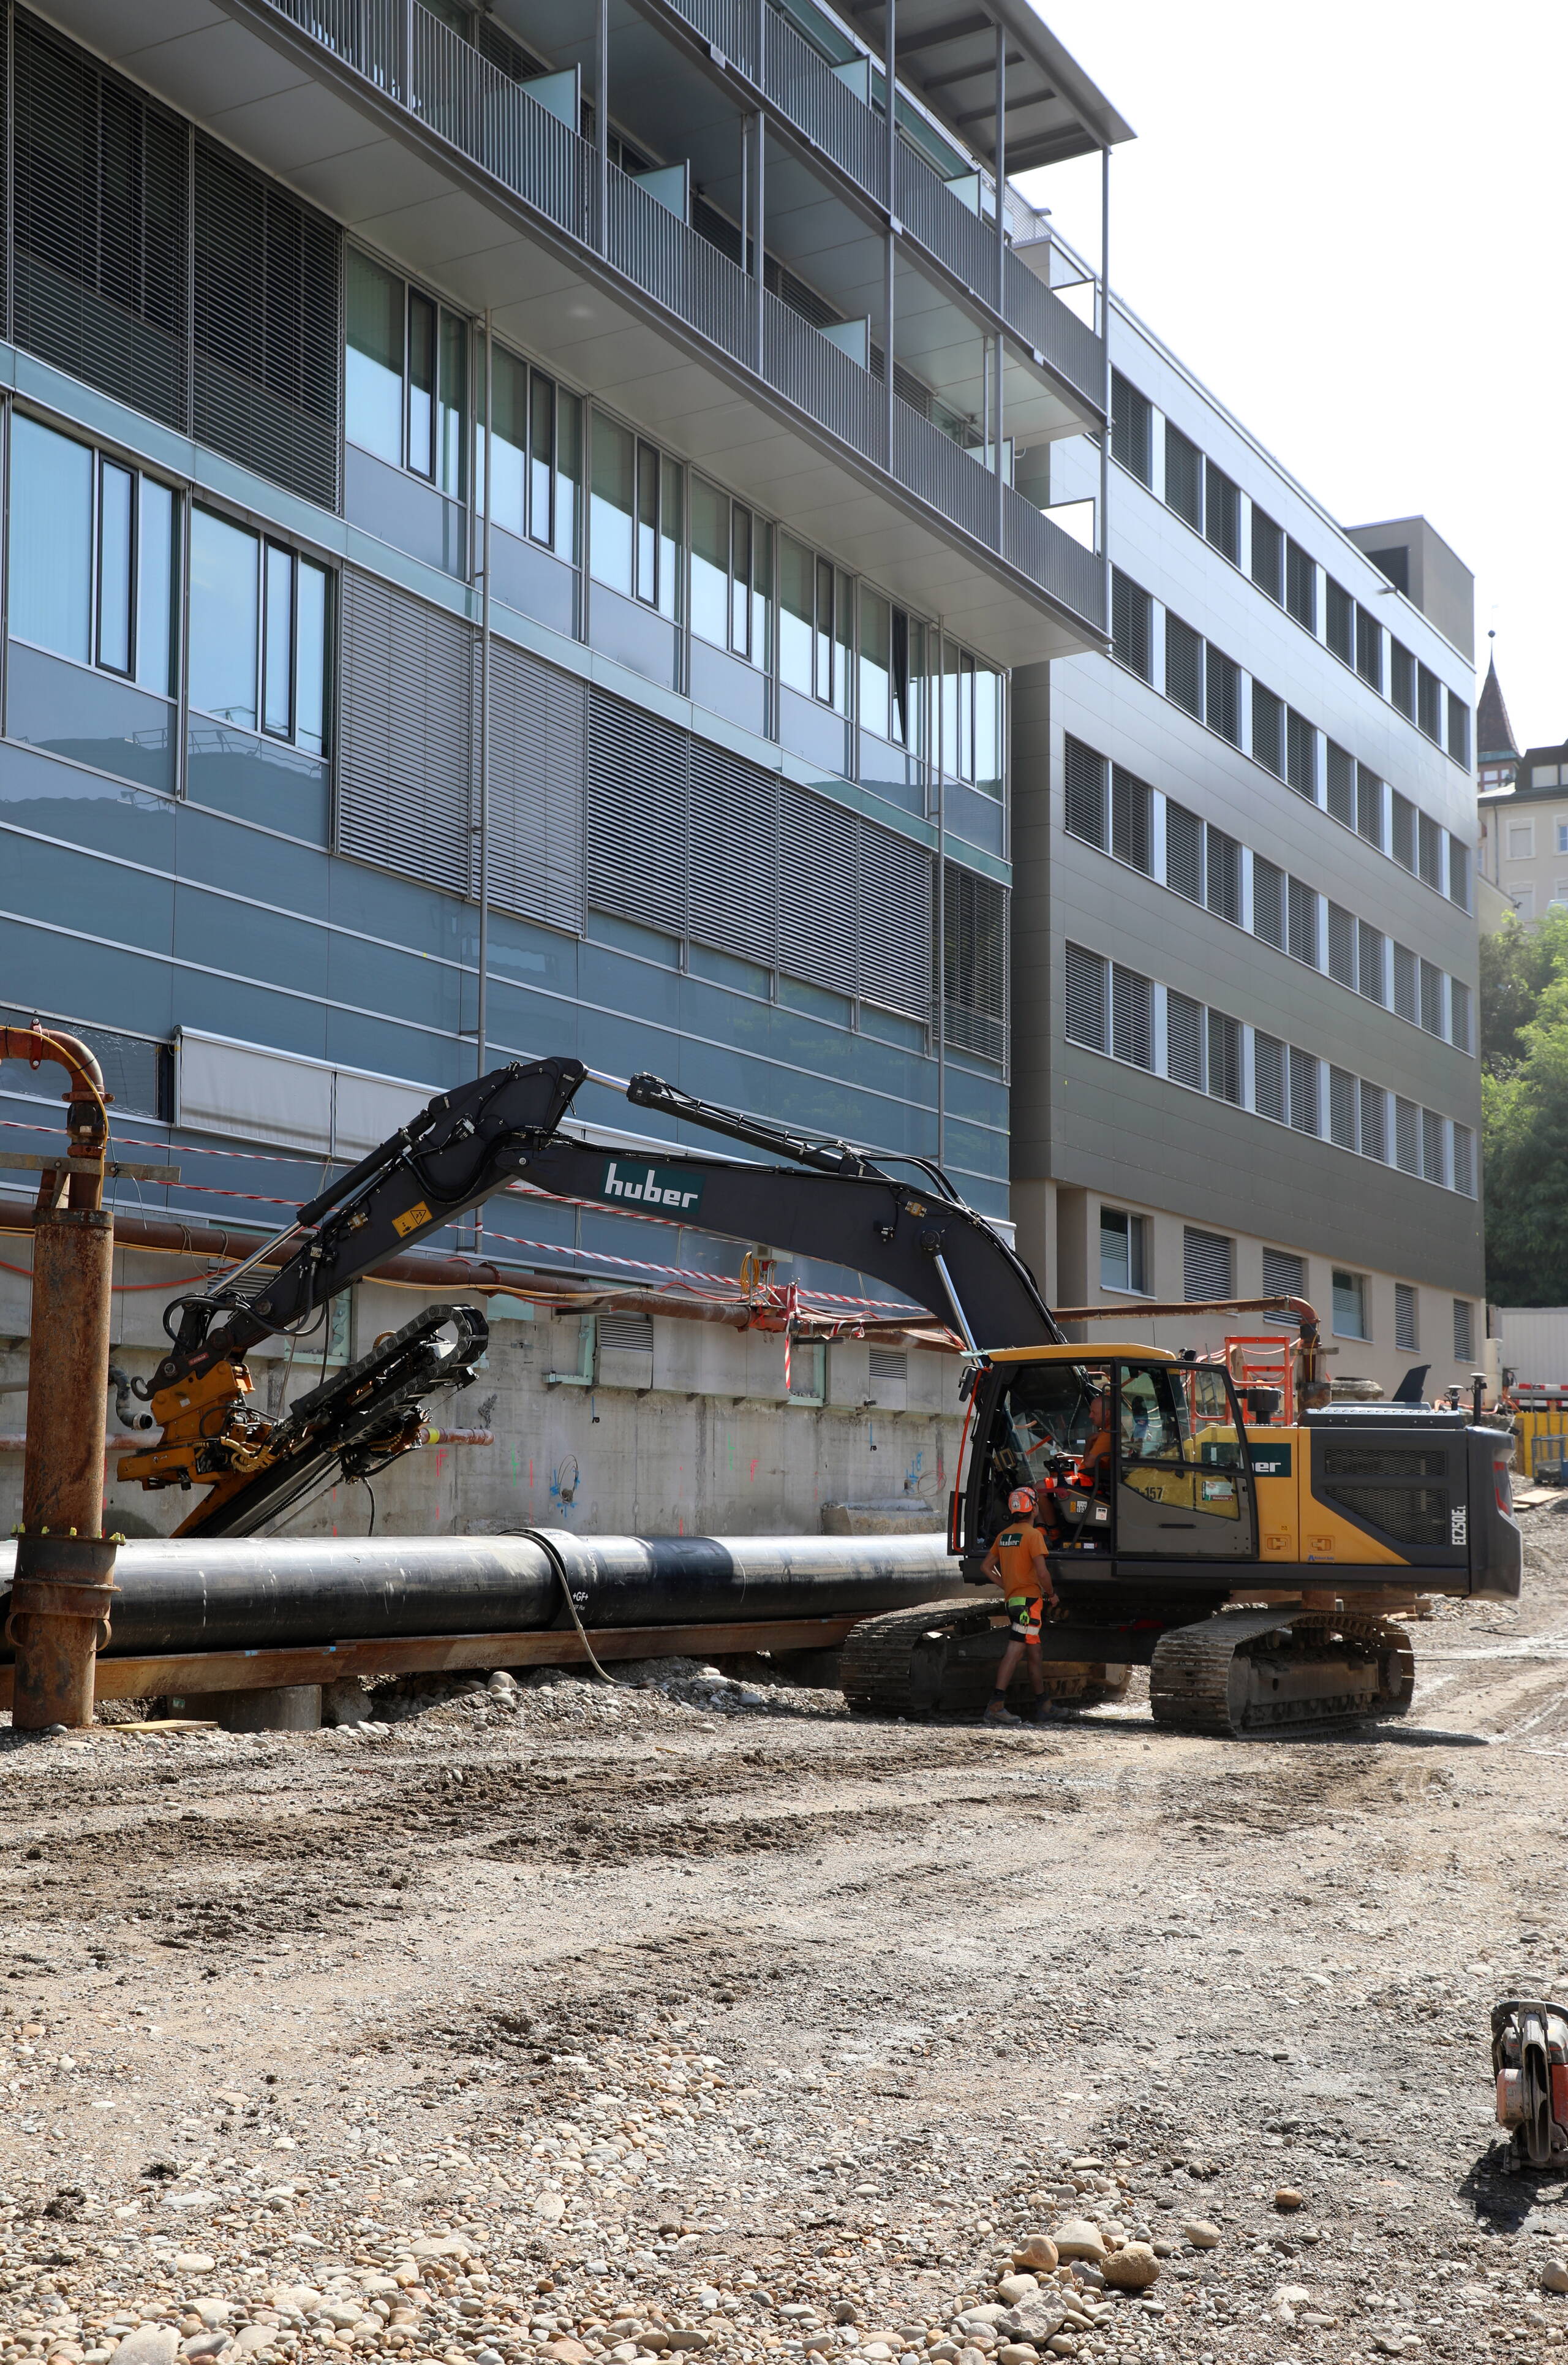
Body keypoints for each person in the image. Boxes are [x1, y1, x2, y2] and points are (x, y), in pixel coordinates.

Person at [978, 1486, 1059, 1727]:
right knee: (1015, 1649)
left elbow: (985, 1567)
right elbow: (1043, 1574)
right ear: (1033, 1508)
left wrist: (1007, 1586)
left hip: (1014, 1601)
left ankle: (1044, 1706)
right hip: (1029, 1604)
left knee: (1035, 1652)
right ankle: (995, 1706)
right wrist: (1052, 1594)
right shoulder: (1034, 1537)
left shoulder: (1005, 1536)